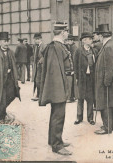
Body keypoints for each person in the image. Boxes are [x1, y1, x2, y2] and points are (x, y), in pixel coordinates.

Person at [39, 22, 72, 155]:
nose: (67, 34)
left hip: (60, 85)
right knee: (58, 115)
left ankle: (54, 140)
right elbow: (54, 71)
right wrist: (60, 91)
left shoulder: (58, 46)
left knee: (56, 114)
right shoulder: (54, 47)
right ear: (63, 32)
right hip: (58, 87)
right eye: (66, 31)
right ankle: (57, 145)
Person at [94, 24, 113, 135]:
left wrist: (106, 82)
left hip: (107, 82)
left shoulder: (107, 47)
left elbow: (109, 67)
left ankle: (107, 127)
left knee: (105, 104)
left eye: (98, 35)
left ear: (101, 36)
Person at [0, 32, 21, 123]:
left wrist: (15, 74)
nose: (6, 43)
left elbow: (15, 64)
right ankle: (1, 117)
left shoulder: (11, 52)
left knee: (12, 95)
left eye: (7, 41)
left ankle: (2, 110)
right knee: (1, 98)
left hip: (10, 79)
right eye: (4, 41)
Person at [74, 32, 96, 125]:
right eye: (89, 39)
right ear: (84, 40)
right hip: (82, 78)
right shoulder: (78, 51)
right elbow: (75, 65)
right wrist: (76, 77)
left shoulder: (94, 51)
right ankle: (79, 117)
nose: (91, 40)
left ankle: (90, 118)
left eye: (91, 39)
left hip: (91, 78)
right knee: (80, 98)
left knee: (90, 98)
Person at [32, 33, 46, 101]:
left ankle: (40, 95)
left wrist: (41, 60)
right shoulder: (35, 46)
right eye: (35, 39)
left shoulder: (44, 46)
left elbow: (45, 55)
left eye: (37, 39)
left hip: (42, 66)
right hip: (37, 66)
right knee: (37, 80)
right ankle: (38, 94)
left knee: (40, 80)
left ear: (41, 39)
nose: (36, 41)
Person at [65, 34, 78, 103]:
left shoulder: (73, 47)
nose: (67, 42)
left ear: (72, 41)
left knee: (71, 83)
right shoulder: (71, 46)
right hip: (72, 67)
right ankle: (72, 97)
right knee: (72, 83)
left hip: (72, 67)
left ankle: (71, 97)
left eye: (69, 40)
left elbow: (74, 58)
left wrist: (73, 69)